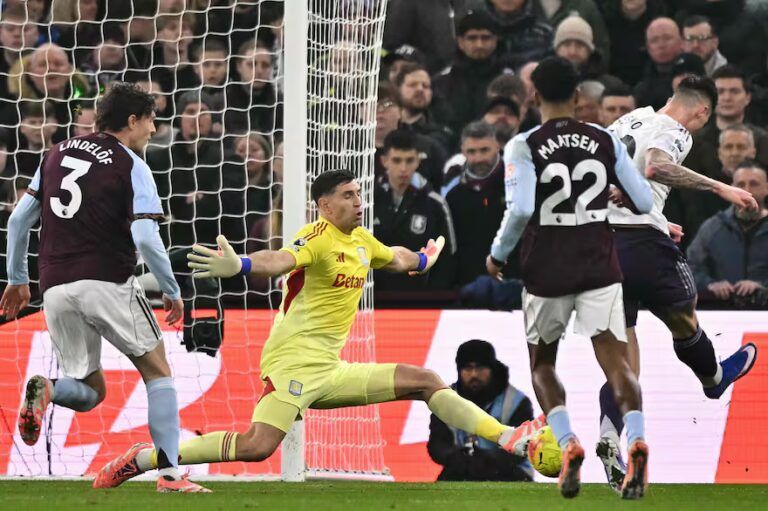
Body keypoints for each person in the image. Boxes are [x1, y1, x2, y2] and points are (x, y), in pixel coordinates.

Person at [94, 169, 543, 488]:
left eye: (359, 194)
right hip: (292, 362)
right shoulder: (316, 236)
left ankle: (509, 438)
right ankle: (144, 459)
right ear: (324, 205)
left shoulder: (363, 241)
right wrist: (243, 264)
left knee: (425, 380)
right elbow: (280, 260)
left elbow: (398, 257)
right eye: (348, 195)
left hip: (330, 367)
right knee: (256, 447)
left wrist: (425, 258)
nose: (358, 201)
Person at [0, 83, 207, 493]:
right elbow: (147, 239)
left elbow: (18, 221)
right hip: (108, 280)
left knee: (92, 392)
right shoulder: (132, 165)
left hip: (55, 287)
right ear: (132, 121)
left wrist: (18, 280)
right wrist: (172, 288)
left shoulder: (56, 153)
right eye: (150, 120)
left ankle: (49, 389)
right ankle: (169, 474)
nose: (152, 130)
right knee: (158, 372)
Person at [486, 56, 654, 500]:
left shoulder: (523, 145)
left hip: (546, 269)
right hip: (600, 264)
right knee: (617, 362)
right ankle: (635, 436)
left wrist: (498, 254)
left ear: (534, 96)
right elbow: (642, 199)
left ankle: (567, 443)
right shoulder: (603, 138)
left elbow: (521, 208)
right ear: (579, 96)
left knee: (543, 363)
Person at [598, 75, 759, 492]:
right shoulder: (676, 130)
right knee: (685, 319)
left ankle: (613, 435)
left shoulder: (630, 120)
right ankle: (713, 379)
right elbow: (656, 166)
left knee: (623, 360)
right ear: (703, 112)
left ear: (669, 97)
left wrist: (652, 213)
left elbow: (607, 178)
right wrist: (724, 186)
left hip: (601, 247)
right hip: (643, 250)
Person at [428, 340, 534, 482]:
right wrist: (456, 457)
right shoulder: (445, 401)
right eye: (467, 368)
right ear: (459, 370)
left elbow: (524, 447)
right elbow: (437, 444)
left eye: (480, 368)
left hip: (508, 470)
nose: (474, 374)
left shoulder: (516, 402)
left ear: (492, 369)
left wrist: (487, 459)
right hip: (462, 467)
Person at [373, 130, 457, 292]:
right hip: (375, 300)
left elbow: (448, 257)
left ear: (418, 161)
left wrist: (432, 298)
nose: (403, 168)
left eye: (409, 160)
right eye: (397, 160)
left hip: (420, 301)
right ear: (384, 161)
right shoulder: (368, 201)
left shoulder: (435, 204)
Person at [687, 162, 768, 306]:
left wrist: (762, 286)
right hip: (722, 315)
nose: (747, 191)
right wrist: (710, 284)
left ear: (766, 188)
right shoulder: (712, 227)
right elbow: (691, 268)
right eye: (740, 185)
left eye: (754, 184)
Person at [633, 17, 683, 110]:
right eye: (654, 40)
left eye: (667, 38)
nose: (661, 45)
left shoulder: (694, 72)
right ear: (648, 47)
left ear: (681, 41)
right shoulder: (641, 88)